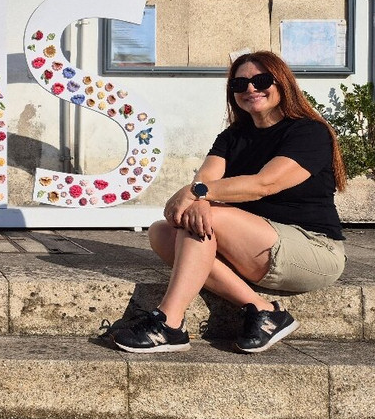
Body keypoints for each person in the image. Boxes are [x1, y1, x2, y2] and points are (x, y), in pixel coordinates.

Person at [113, 50, 347, 355]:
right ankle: (263, 310)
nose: (250, 89)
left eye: (261, 80)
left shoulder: (308, 132)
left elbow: (264, 184)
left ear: (283, 83)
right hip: (256, 245)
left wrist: (198, 193)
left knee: (211, 217)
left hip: (313, 250)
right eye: (239, 85)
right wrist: (198, 195)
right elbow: (207, 179)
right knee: (161, 231)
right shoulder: (233, 136)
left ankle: (169, 323)